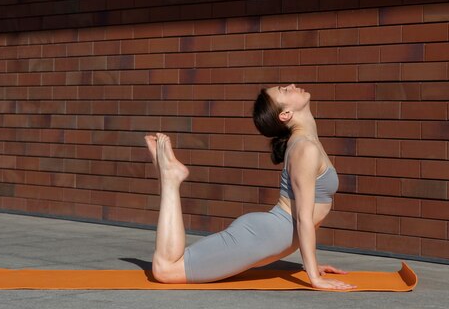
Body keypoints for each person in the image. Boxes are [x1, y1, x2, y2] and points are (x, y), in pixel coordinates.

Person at [144, 84, 355, 290]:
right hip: (260, 238)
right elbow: (303, 219)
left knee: (171, 265)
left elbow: (306, 219)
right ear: (285, 114)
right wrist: (314, 277)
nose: (291, 85)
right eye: (284, 90)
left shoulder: (306, 142)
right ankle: (170, 179)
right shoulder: (305, 148)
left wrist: (312, 265)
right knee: (165, 270)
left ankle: (168, 176)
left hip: (266, 237)